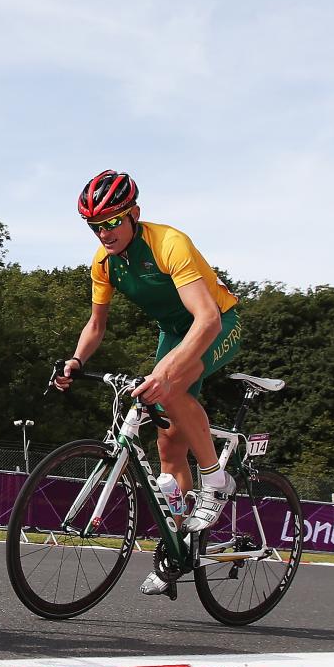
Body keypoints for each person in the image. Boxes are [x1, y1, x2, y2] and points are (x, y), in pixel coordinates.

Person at [55, 170, 241, 596]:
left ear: (134, 214)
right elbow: (96, 323)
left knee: (169, 387)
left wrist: (167, 371)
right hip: (173, 332)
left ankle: (216, 480)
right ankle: (179, 549)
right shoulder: (103, 264)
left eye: (111, 222)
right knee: (166, 441)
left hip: (216, 322)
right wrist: (76, 359)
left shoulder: (168, 243)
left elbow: (206, 318)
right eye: (94, 227)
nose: (103, 233)